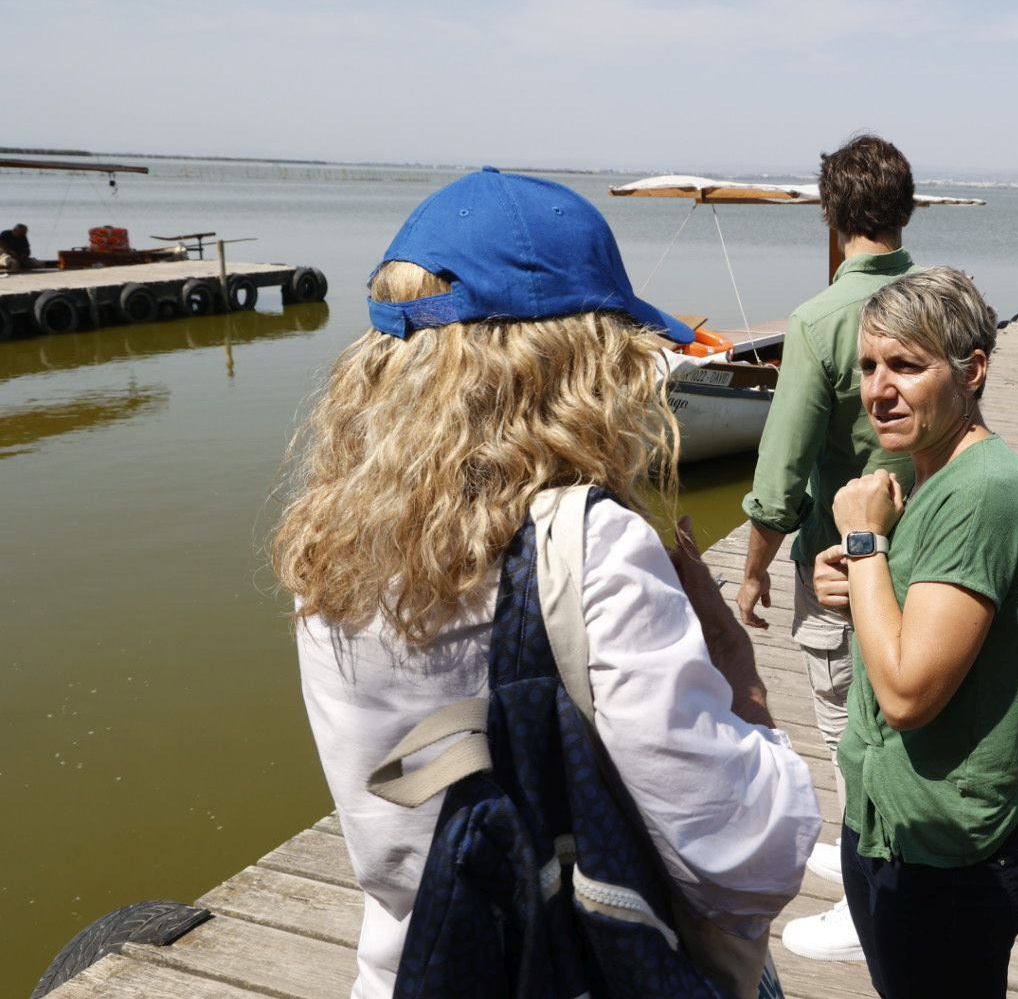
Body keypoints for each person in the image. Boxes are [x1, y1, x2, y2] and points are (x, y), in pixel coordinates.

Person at [272, 168, 820, 998]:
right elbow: (745, 858)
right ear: (576, 359)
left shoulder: (327, 542)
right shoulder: (589, 546)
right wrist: (743, 680)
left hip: (408, 974)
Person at [814, 267, 1018, 998]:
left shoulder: (984, 493)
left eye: (907, 366)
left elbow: (909, 693)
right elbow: (918, 617)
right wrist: (859, 582)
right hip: (889, 831)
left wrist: (861, 543)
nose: (879, 389)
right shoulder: (928, 471)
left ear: (972, 370)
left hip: (944, 861)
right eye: (869, 366)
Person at [736, 133, 918, 961]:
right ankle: (874, 854)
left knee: (852, 725)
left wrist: (750, 569)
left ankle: (866, 902)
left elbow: (781, 471)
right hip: (932, 552)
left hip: (844, 561)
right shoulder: (944, 304)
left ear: (832, 217)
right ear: (907, 211)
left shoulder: (818, 321)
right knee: (908, 717)